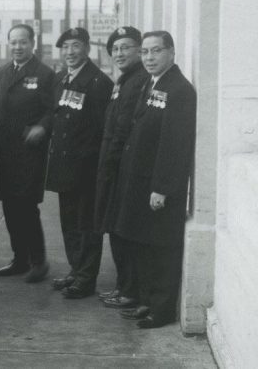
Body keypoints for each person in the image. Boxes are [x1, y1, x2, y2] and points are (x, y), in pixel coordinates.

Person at [115, 31, 196, 329]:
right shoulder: (152, 83)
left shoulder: (179, 89)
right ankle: (148, 300)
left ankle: (161, 311)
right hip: (140, 181)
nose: (149, 57)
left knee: (162, 247)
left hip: (159, 186)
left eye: (156, 51)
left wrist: (162, 188)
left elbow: (174, 145)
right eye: (146, 52)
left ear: (172, 53)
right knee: (144, 245)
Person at [45, 27, 113, 299]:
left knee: (87, 226)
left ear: (86, 48)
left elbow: (101, 130)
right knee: (69, 223)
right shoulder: (62, 79)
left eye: (75, 46)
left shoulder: (98, 83)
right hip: (65, 167)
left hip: (86, 169)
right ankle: (76, 269)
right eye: (65, 47)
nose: (70, 52)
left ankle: (86, 278)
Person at [0, 24, 55, 283]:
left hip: (30, 151)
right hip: (6, 151)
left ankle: (38, 261)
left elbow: (53, 109)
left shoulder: (44, 73)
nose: (17, 47)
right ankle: (20, 259)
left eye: (23, 42)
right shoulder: (3, 71)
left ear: (32, 43)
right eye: (13, 42)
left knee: (27, 207)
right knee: (10, 207)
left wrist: (42, 126)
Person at [94, 27, 148, 309]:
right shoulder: (125, 80)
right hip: (112, 167)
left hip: (121, 169)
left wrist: (109, 166)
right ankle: (122, 287)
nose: (119, 53)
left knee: (123, 233)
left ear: (139, 50)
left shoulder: (138, 81)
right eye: (115, 49)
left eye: (126, 47)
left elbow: (124, 130)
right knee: (115, 230)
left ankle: (129, 291)